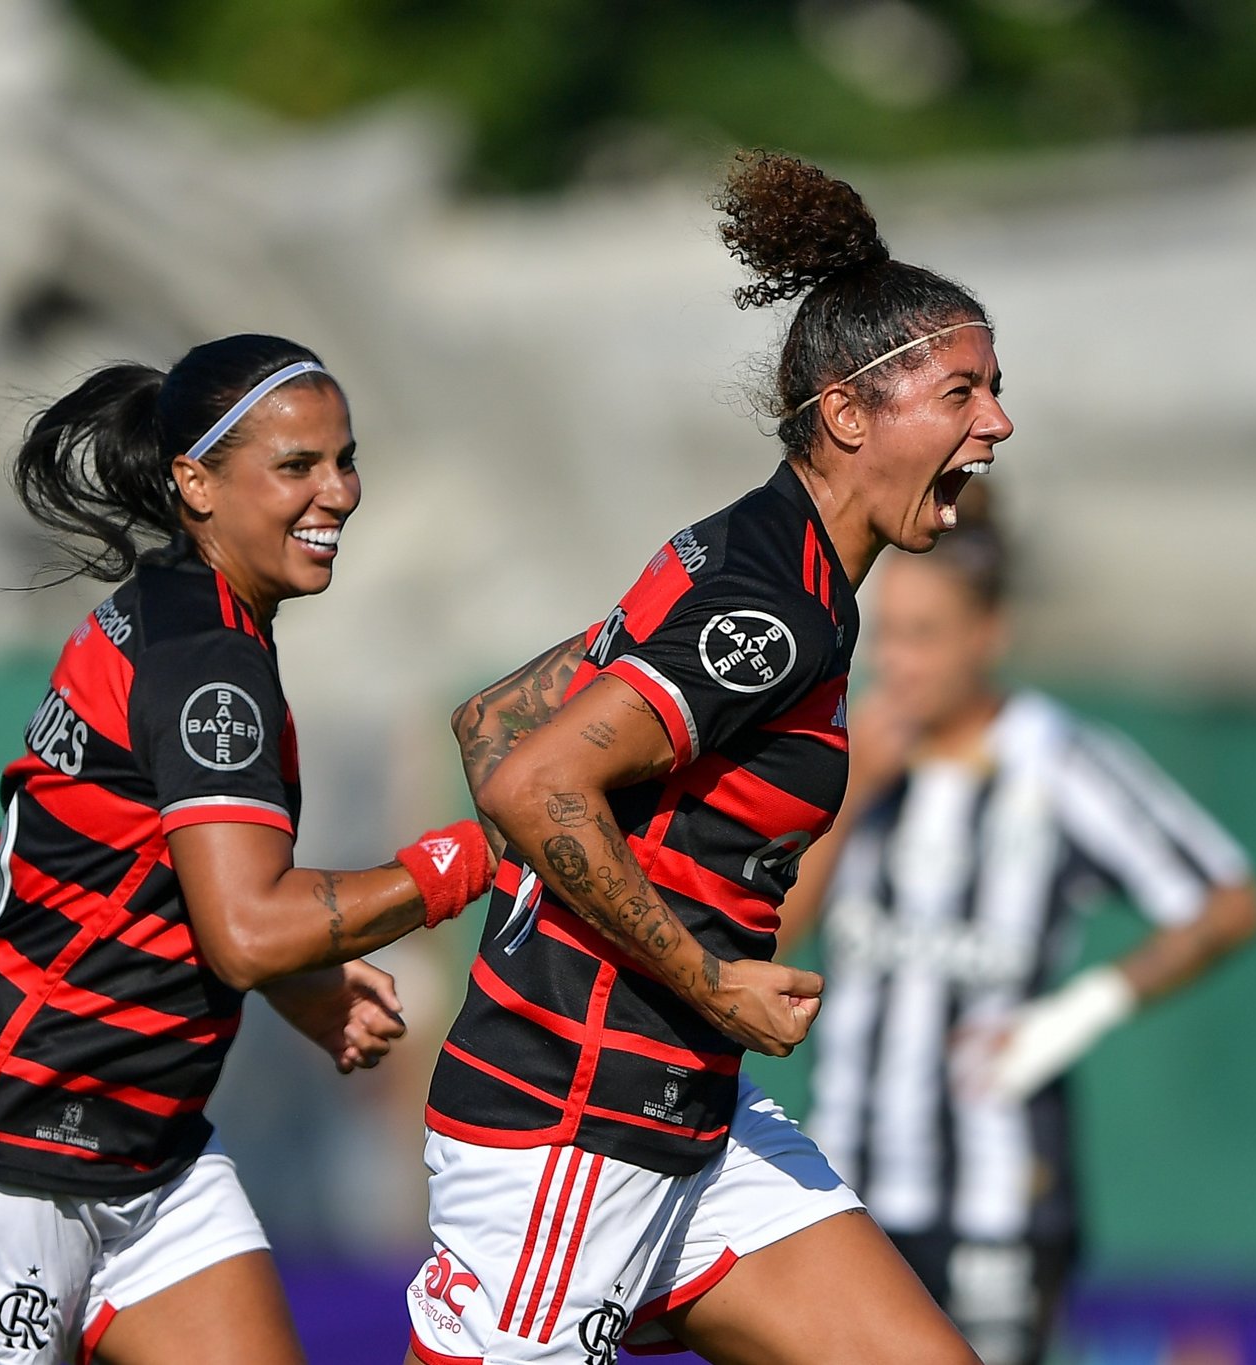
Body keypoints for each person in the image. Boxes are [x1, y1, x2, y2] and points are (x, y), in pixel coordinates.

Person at [406, 150, 1010, 1365]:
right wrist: (709, 976)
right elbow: (533, 778)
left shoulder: (745, 555)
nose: (995, 423)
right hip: (567, 1123)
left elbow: (492, 721)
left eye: (992, 390)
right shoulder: (771, 610)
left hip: (688, 1119)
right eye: (960, 394)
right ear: (847, 414)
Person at [0, 333, 495, 1365]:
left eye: (344, 459)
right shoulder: (206, 662)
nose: (339, 493)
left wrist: (307, 981)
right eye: (296, 467)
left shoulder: (187, 618)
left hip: (145, 1152)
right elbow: (242, 930)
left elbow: (158, 872)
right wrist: (470, 856)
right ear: (195, 481)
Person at [779, 495, 1256, 1365]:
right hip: (844, 1189)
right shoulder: (844, 750)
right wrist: (853, 792)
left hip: (998, 1195)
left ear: (987, 634)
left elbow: (1227, 901)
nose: (898, 663)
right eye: (886, 635)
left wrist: (1076, 1014)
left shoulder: (1061, 762)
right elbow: (774, 935)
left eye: (924, 636)